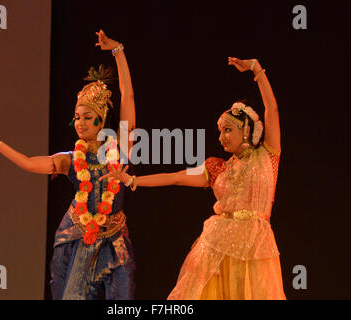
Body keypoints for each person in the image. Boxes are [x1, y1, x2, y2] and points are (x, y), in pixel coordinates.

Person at [0, 30, 137, 300]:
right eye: (76, 117)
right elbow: (29, 164)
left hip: (115, 240)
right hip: (77, 238)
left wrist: (118, 50)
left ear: (102, 120)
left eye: (87, 117)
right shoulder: (69, 158)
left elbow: (128, 98)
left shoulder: (121, 148)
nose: (79, 123)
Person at [101, 57, 286, 300]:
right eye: (220, 132)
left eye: (227, 130)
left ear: (248, 130)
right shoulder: (218, 168)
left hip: (255, 248)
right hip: (218, 246)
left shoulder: (268, 155)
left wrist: (256, 69)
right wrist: (133, 180)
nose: (221, 137)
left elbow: (271, 109)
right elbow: (176, 177)